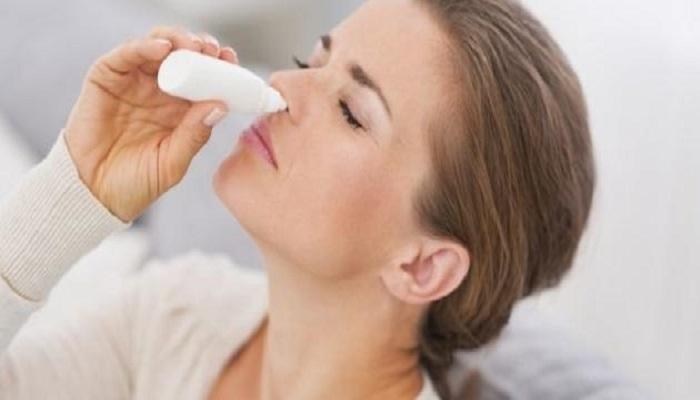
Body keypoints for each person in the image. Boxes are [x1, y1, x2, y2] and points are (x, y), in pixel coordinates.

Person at [0, 0, 596, 399]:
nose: (282, 86)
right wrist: (74, 188)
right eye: (310, 62)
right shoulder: (176, 315)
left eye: (350, 112)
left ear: (423, 266)